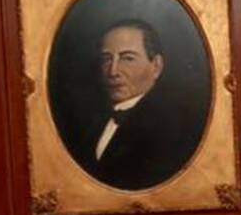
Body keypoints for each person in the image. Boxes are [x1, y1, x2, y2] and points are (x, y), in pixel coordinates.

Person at [72, 19, 204, 190]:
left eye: (128, 58)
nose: (113, 71)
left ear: (156, 66)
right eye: (107, 59)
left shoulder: (174, 126)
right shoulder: (91, 123)